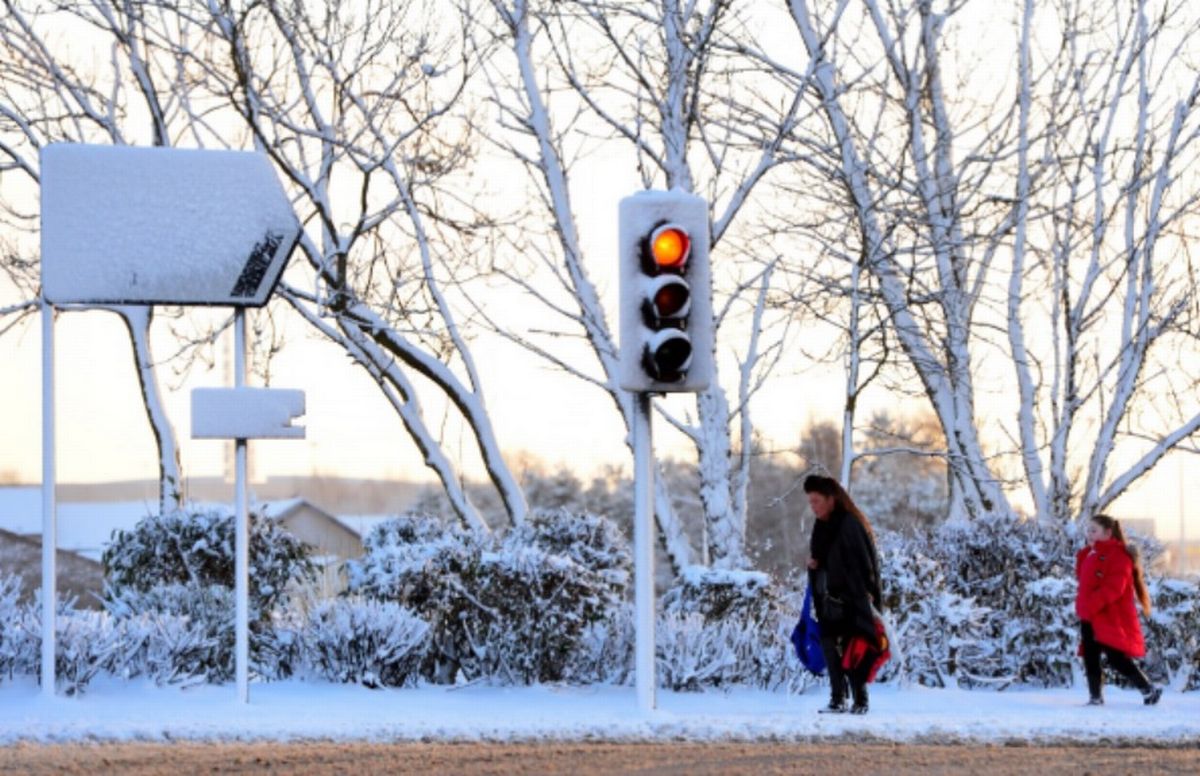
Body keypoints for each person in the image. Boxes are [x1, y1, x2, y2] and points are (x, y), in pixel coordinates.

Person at [804, 474, 884, 714]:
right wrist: (814, 564)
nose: (813, 507)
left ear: (831, 499)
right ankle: (837, 699)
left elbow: (865, 561)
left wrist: (868, 592)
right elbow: (822, 556)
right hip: (828, 597)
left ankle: (861, 700)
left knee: (854, 646)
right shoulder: (821, 525)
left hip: (852, 596)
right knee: (828, 643)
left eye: (816, 501)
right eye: (810, 502)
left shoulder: (849, 524)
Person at [1075, 513, 1162, 706]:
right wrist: (1086, 609)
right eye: (1088, 530)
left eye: (1094, 530)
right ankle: (1095, 697)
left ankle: (1148, 690)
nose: (1089, 534)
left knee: (1116, 657)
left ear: (1108, 532)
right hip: (1089, 615)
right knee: (1090, 656)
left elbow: (1115, 588)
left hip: (1108, 615)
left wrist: (1092, 605)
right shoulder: (1090, 554)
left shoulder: (1119, 555)